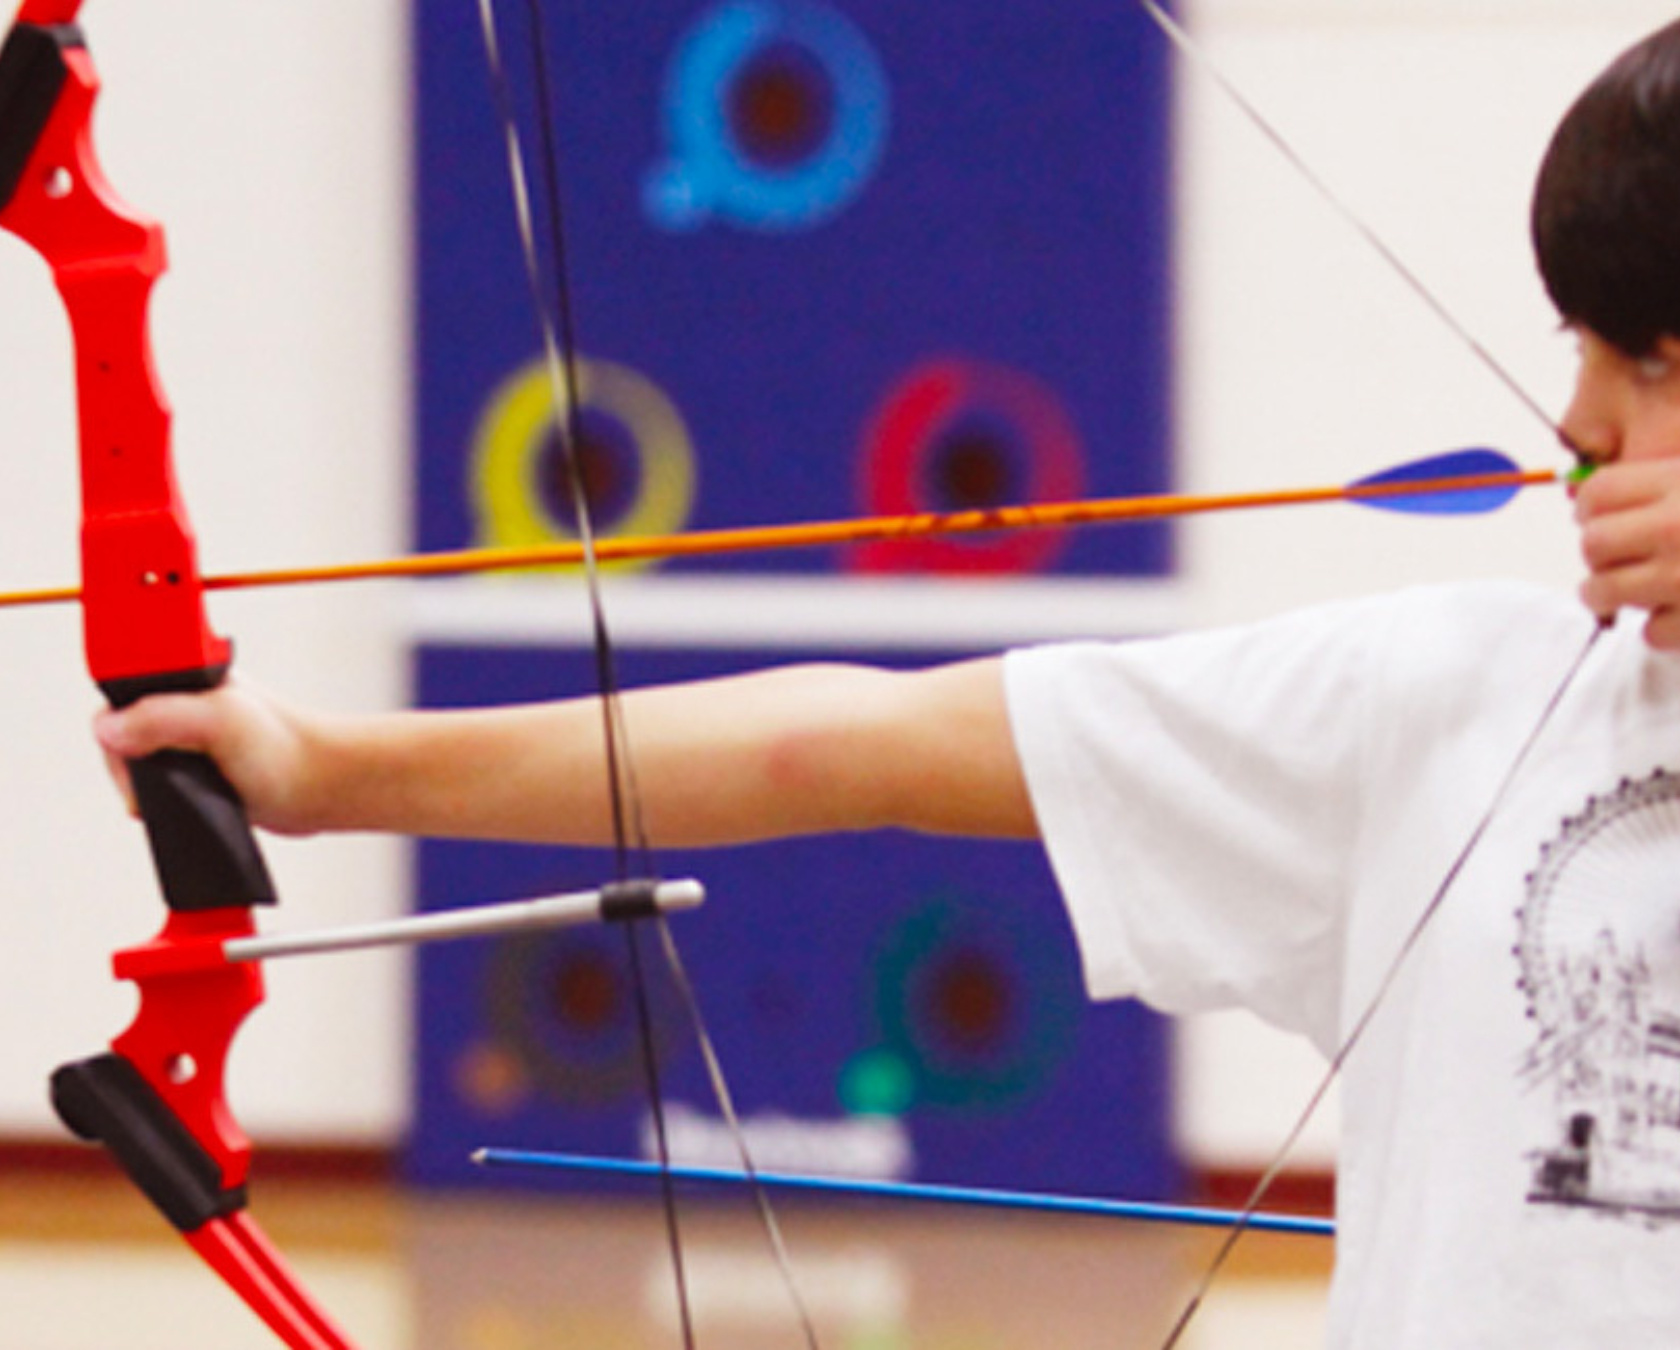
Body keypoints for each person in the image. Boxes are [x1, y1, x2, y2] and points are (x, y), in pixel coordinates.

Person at [92, 17, 1680, 1350]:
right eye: (1583, 343)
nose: (1578, 422)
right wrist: (315, 768)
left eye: (1655, 361)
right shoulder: (1451, 696)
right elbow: (846, 739)